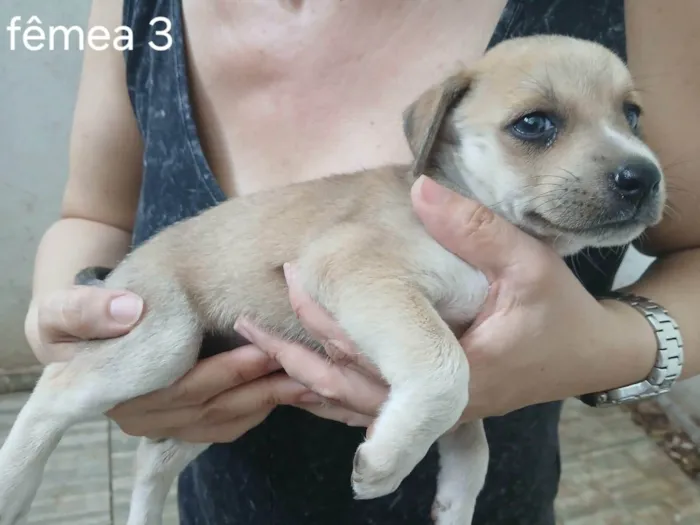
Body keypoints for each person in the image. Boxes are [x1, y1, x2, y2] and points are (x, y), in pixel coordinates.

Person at [24, 0, 700, 523]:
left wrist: (613, 344)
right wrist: (70, 313)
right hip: (228, 490)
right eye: (536, 126)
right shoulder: (137, 10)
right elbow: (93, 216)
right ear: (438, 132)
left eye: (631, 116)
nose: (629, 161)